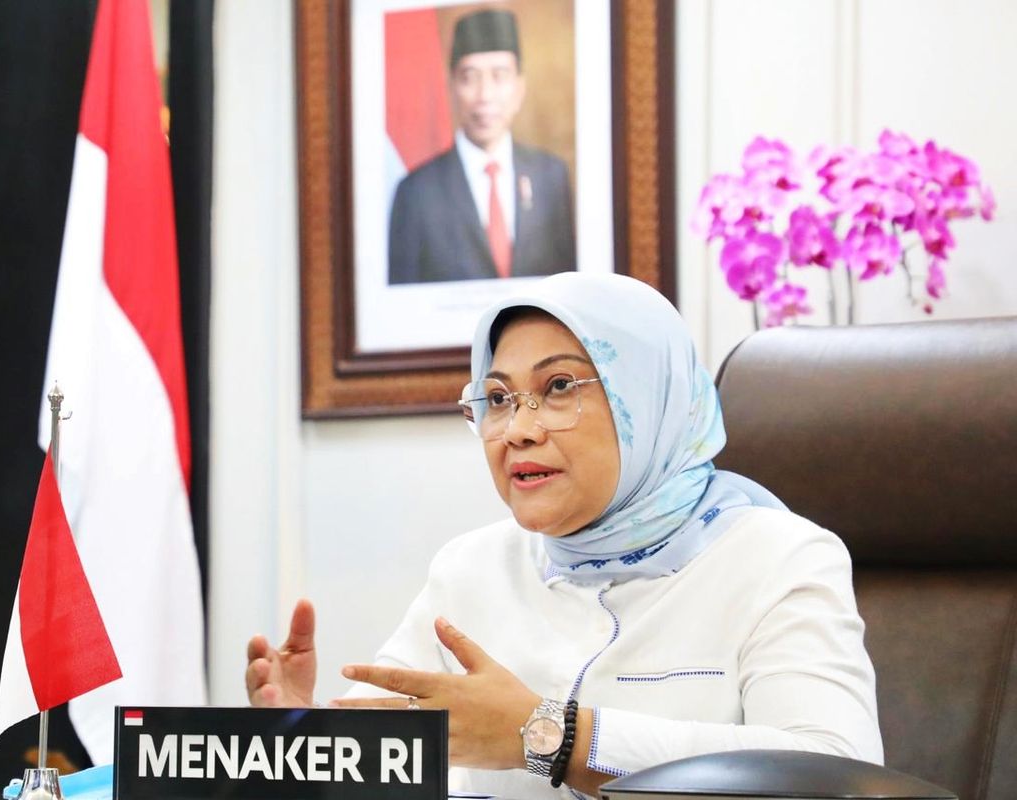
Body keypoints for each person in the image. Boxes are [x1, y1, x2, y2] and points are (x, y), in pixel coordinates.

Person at [246, 272, 883, 799]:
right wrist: (304, 747)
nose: (517, 429)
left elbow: (834, 770)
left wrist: (552, 736)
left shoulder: (778, 558)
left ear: (649, 399)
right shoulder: (470, 568)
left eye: (557, 388)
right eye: (497, 398)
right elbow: (388, 759)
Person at [388, 8, 576, 284]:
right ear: (452, 87)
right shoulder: (416, 193)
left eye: (499, 76)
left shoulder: (551, 176)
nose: (485, 96)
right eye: (470, 77)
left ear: (519, 88)